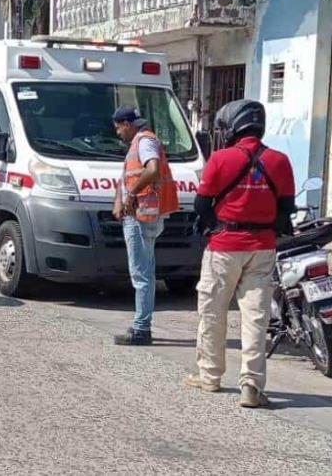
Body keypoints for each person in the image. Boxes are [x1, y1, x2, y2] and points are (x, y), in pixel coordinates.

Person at [186, 99, 295, 409]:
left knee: (213, 312)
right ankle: (251, 385)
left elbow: (201, 205)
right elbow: (286, 209)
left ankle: (210, 376)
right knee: (256, 319)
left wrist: (213, 229)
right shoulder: (280, 160)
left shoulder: (221, 159)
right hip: (262, 249)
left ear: (233, 126)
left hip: (224, 247)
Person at [111, 105, 179, 346]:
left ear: (127, 124)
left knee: (141, 275)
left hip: (142, 217)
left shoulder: (144, 140)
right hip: (141, 215)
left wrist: (130, 195)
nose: (118, 133)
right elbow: (128, 176)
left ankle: (141, 329)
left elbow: (152, 169)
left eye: (119, 128)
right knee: (145, 273)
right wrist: (120, 198)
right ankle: (142, 324)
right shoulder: (138, 143)